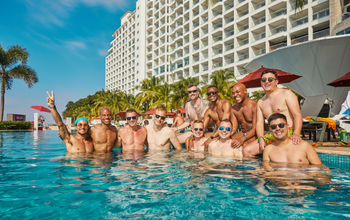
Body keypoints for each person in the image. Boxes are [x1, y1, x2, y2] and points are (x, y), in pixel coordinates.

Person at [244, 69, 303, 157]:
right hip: (272, 135)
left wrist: (296, 134)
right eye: (263, 80)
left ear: (276, 81)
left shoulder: (287, 94)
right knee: (247, 150)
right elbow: (259, 123)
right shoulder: (261, 102)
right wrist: (261, 139)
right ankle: (261, 169)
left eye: (270, 79)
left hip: (288, 133)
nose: (267, 82)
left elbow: (297, 115)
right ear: (261, 83)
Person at [231, 83, 257, 148]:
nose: (235, 95)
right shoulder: (233, 109)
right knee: (228, 142)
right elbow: (234, 128)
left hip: (255, 133)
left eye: (237, 92)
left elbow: (255, 129)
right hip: (243, 133)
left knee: (245, 145)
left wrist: (242, 139)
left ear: (245, 91)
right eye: (233, 93)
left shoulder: (254, 105)